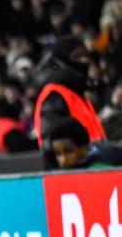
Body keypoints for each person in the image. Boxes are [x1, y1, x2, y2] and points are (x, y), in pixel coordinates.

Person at [34, 35, 107, 169]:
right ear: (61, 61)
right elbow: (52, 144)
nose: (84, 61)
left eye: (86, 56)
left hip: (94, 168)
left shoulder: (78, 94)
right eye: (77, 56)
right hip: (72, 173)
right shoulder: (55, 95)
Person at [50, 117, 122, 169]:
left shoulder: (103, 167)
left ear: (84, 149)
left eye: (68, 152)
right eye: (58, 154)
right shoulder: (57, 173)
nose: (63, 160)